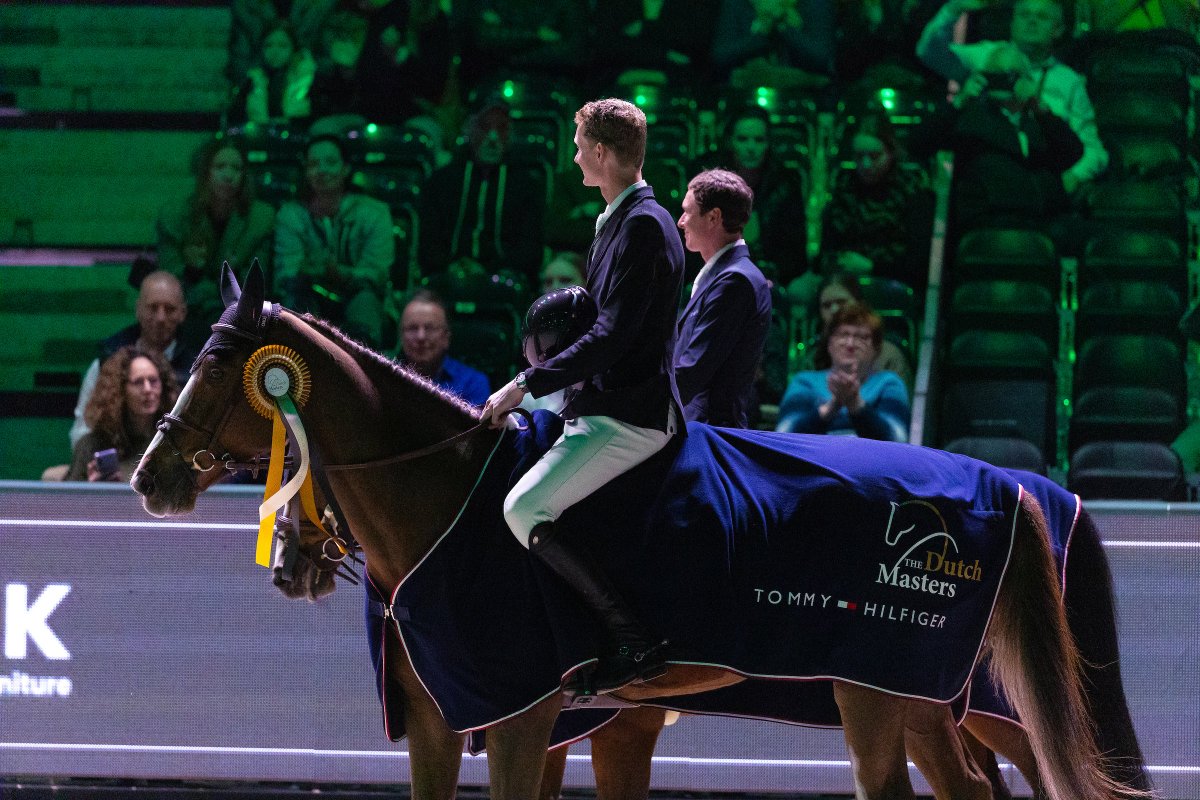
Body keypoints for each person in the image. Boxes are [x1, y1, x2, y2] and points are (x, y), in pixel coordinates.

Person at [481, 98, 685, 694]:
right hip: (598, 404)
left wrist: (525, 385)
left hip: (630, 417)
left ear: (600, 152)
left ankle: (635, 639)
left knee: (523, 509)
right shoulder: (615, 219)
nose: (573, 158)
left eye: (578, 148)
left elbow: (613, 335)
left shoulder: (644, 224)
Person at [916, 0, 1108, 194]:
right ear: (1012, 23)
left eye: (1042, 16)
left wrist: (1074, 176)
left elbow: (1092, 150)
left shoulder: (1068, 81)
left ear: (1058, 30)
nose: (1031, 21)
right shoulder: (984, 57)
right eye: (1024, 15)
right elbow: (929, 52)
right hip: (986, 180)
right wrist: (954, 9)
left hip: (1042, 185)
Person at [909, 43, 1083, 237]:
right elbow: (918, 145)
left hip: (1043, 222)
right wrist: (960, 102)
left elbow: (1073, 153)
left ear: (1026, 79)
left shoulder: (1040, 124)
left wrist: (1039, 108)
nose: (1001, 80)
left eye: (1010, 74)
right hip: (988, 223)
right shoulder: (969, 120)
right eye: (994, 74)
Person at [274, 133, 395, 347]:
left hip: (359, 296)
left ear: (345, 169)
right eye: (314, 164)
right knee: (294, 299)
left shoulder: (375, 212)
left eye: (330, 162)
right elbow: (287, 271)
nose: (322, 170)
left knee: (365, 300)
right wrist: (312, 272)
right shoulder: (291, 214)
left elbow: (377, 272)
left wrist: (340, 273)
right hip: (309, 294)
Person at [674, 168, 772, 428]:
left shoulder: (735, 281)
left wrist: (631, 407)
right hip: (694, 426)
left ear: (713, 217)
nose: (680, 221)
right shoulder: (724, 275)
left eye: (687, 212)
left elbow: (693, 371)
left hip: (708, 432)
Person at [418, 96, 547, 282]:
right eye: (485, 127)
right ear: (469, 129)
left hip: (504, 280)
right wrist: (450, 266)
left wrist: (488, 270)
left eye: (501, 128)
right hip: (447, 276)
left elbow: (530, 250)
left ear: (509, 134)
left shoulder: (526, 185)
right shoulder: (442, 181)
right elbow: (428, 243)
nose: (493, 138)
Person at [156, 139, 276, 326]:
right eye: (220, 166)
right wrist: (191, 272)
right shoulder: (175, 216)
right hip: (188, 311)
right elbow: (170, 277)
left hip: (239, 313)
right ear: (205, 172)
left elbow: (257, 284)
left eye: (236, 168)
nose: (228, 175)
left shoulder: (261, 218)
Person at [70, 271, 198, 447]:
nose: (161, 318)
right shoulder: (108, 358)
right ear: (138, 309)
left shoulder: (199, 367)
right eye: (152, 308)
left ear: (183, 313)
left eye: (170, 309)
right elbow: (82, 430)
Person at [822, 111, 934, 294]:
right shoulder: (844, 190)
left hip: (894, 284)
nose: (866, 164)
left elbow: (918, 264)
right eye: (859, 156)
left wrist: (872, 267)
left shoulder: (912, 194)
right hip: (844, 283)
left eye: (874, 156)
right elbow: (827, 249)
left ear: (891, 153)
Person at [694, 106, 807, 285]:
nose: (751, 147)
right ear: (730, 141)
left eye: (759, 140)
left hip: (769, 280)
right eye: (743, 139)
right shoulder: (707, 181)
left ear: (768, 144)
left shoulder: (785, 184)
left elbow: (795, 254)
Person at [776, 304, 910, 441]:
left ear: (876, 348)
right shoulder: (805, 381)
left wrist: (855, 403)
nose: (850, 344)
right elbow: (784, 434)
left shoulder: (888, 383)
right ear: (829, 344)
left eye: (861, 337)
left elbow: (897, 438)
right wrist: (832, 406)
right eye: (843, 335)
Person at [66, 346, 179, 482]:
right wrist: (93, 490)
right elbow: (69, 500)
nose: (148, 389)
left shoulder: (173, 443)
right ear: (120, 390)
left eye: (153, 381)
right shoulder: (91, 445)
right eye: (138, 382)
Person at [808, 272, 912, 386]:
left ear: (860, 305)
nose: (834, 310)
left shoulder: (889, 357)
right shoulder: (812, 359)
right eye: (826, 305)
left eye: (841, 302)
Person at [396, 289, 490, 405]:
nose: (421, 337)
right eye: (412, 328)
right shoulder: (386, 378)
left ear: (446, 337)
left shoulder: (473, 383)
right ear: (400, 336)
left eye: (430, 328)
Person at [228, 19, 315, 127]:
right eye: (268, 45)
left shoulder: (310, 82)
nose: (275, 52)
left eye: (283, 46)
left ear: (294, 49)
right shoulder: (251, 82)